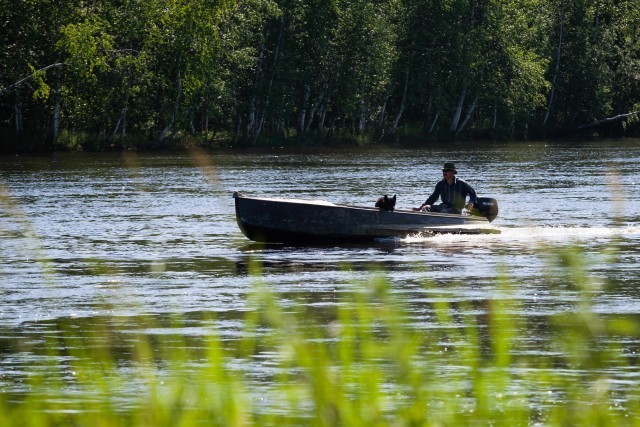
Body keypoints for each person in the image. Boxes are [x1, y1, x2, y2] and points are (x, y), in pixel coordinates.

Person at [412, 162, 477, 214]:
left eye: (447, 170)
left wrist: (471, 203)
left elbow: (472, 193)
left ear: (453, 172)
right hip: (442, 207)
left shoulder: (461, 183)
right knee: (426, 208)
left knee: (444, 213)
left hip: (456, 209)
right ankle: (426, 222)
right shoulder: (440, 184)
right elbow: (433, 197)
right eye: (443, 170)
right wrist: (420, 208)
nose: (444, 172)